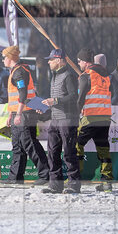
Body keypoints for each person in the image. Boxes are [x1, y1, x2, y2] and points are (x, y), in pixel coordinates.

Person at [1, 45, 47, 183]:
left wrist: (19, 114)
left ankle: (46, 174)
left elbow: (23, 94)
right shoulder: (15, 71)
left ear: (10, 58)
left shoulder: (19, 72)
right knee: (17, 146)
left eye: (4, 57)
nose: (3, 60)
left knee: (30, 144)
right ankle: (15, 177)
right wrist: (11, 114)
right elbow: (14, 97)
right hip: (19, 113)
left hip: (25, 114)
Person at [40, 49, 80, 194]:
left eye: (51, 60)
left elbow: (73, 97)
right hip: (56, 118)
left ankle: (74, 184)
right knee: (52, 152)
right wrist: (45, 108)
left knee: (69, 152)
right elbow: (56, 100)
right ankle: (55, 185)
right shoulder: (54, 76)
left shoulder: (68, 76)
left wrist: (55, 100)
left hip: (67, 119)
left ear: (58, 60)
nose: (49, 62)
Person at [75, 47, 114, 191]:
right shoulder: (106, 76)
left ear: (85, 62)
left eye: (79, 61)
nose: (78, 64)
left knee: (76, 145)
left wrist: (75, 113)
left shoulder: (86, 75)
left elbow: (80, 99)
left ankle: (74, 178)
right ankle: (107, 181)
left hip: (90, 117)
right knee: (103, 149)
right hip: (105, 118)